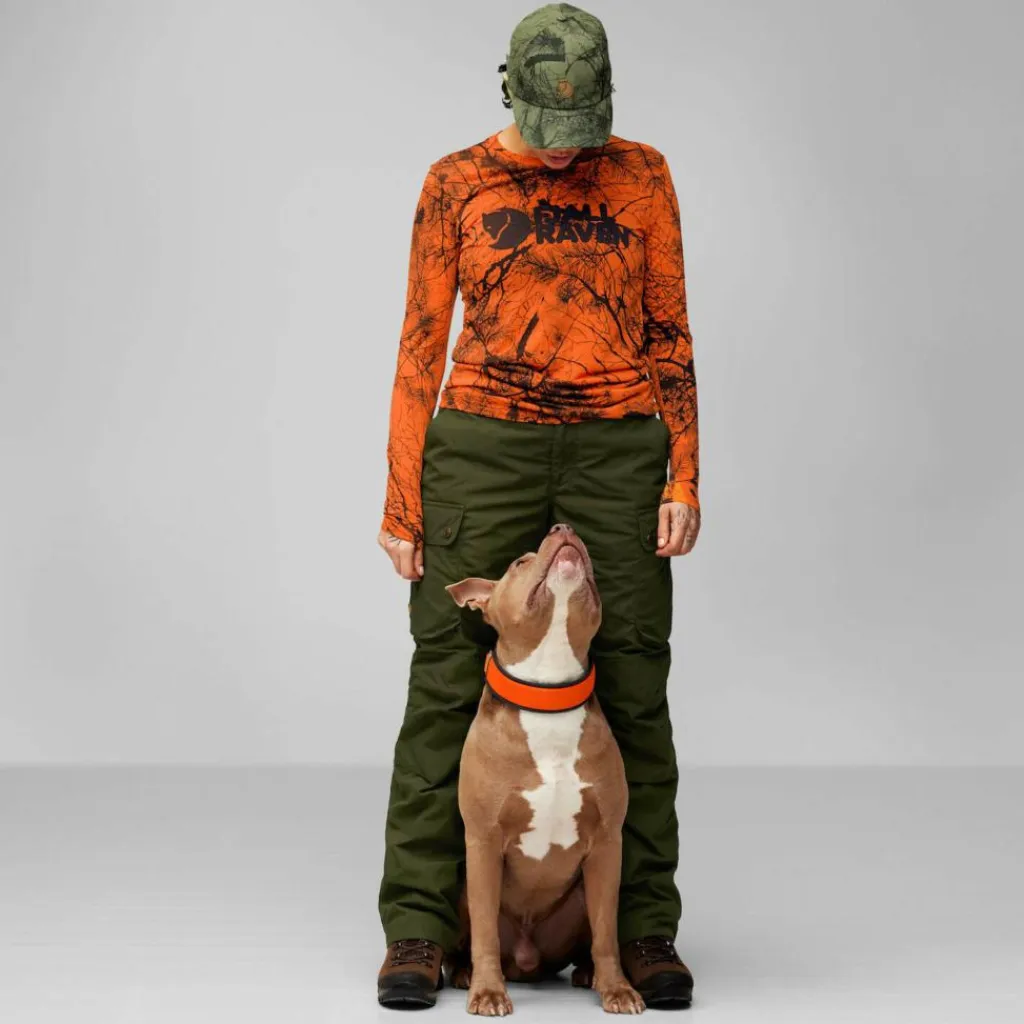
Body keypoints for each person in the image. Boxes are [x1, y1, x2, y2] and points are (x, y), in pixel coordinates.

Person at [375, 2, 701, 1011]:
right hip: (483, 443)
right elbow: (421, 339)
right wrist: (401, 496)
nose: (567, 150)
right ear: (508, 90)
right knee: (446, 678)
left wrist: (683, 473)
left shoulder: (643, 175)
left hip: (616, 444)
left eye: (584, 126)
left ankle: (638, 928)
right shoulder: (456, 182)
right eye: (550, 128)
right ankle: (422, 928)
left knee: (632, 677)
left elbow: (670, 331)